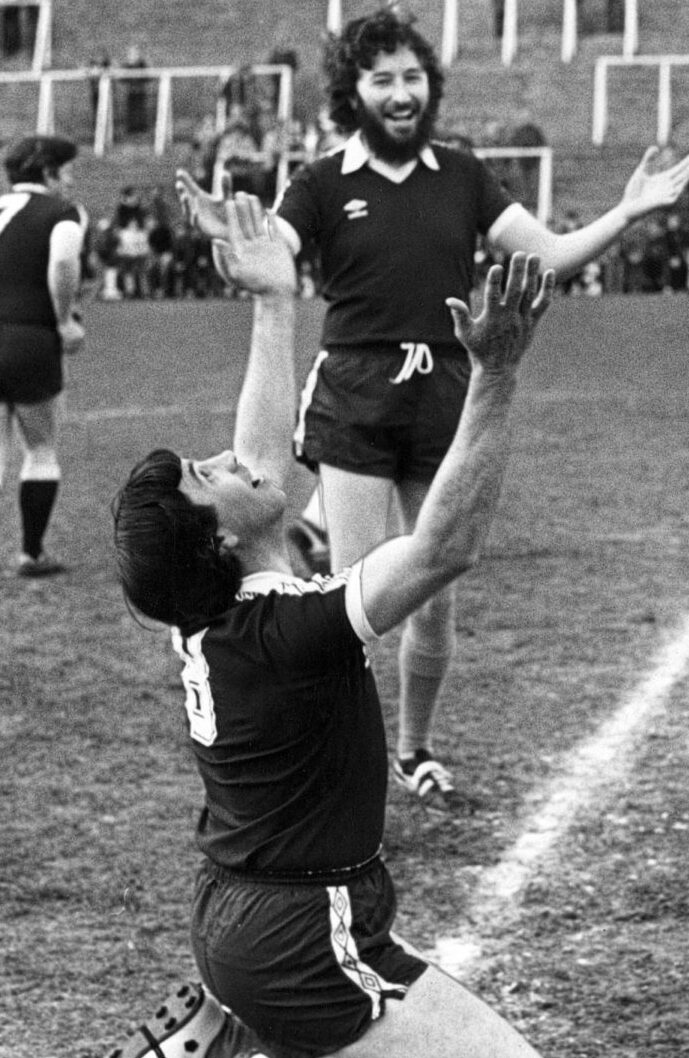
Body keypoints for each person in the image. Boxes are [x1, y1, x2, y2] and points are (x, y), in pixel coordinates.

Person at [175, 8, 689, 811]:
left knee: (433, 595)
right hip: (355, 395)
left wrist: (623, 214)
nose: (400, 91)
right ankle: (340, 761)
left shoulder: (462, 174)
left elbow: (547, 254)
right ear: (353, 92)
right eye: (381, 78)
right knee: (354, 603)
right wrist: (235, 235)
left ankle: (414, 749)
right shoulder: (321, 180)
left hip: (446, 395)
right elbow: (271, 248)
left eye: (412, 76)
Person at [107, 190, 554, 1058]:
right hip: (302, 935)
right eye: (208, 475)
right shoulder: (293, 631)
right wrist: (495, 372)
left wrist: (274, 301)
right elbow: (440, 549)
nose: (225, 457)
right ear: (222, 534)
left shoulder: (217, 606)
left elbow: (263, 453)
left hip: (251, 916)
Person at [0, 135, 86, 577]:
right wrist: (65, 320)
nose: (70, 179)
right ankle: (31, 553)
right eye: (66, 170)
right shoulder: (62, 213)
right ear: (47, 172)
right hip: (30, 336)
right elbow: (64, 262)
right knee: (41, 449)